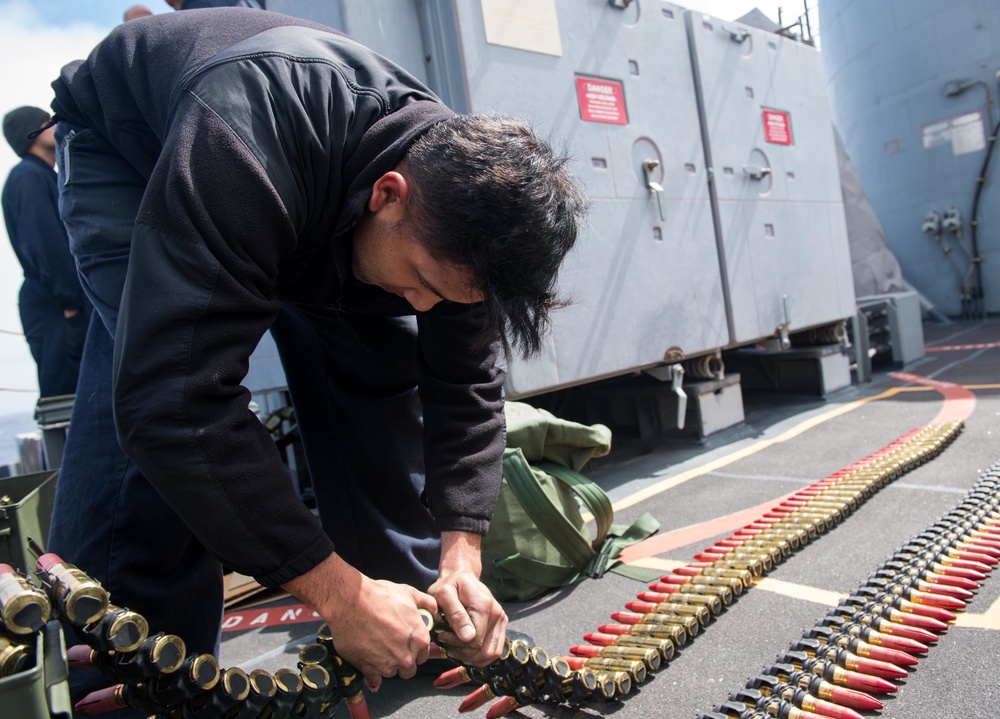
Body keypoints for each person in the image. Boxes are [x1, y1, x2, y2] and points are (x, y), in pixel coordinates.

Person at [46, 7, 583, 711]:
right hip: (138, 153)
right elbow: (177, 401)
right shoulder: (245, 136)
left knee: (381, 385)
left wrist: (463, 555)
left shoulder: (464, 212)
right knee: (153, 396)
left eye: (443, 296)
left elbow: (466, 386)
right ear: (389, 195)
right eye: (420, 279)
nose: (423, 305)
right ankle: (135, 683)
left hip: (308, 183)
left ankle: (401, 632)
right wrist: (335, 589)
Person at [2, 106, 89, 400]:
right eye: (45, 121)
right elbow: (43, 244)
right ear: (29, 135)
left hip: (64, 302)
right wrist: (71, 305)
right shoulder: (27, 176)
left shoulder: (47, 176)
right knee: (67, 399)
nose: (54, 124)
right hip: (56, 306)